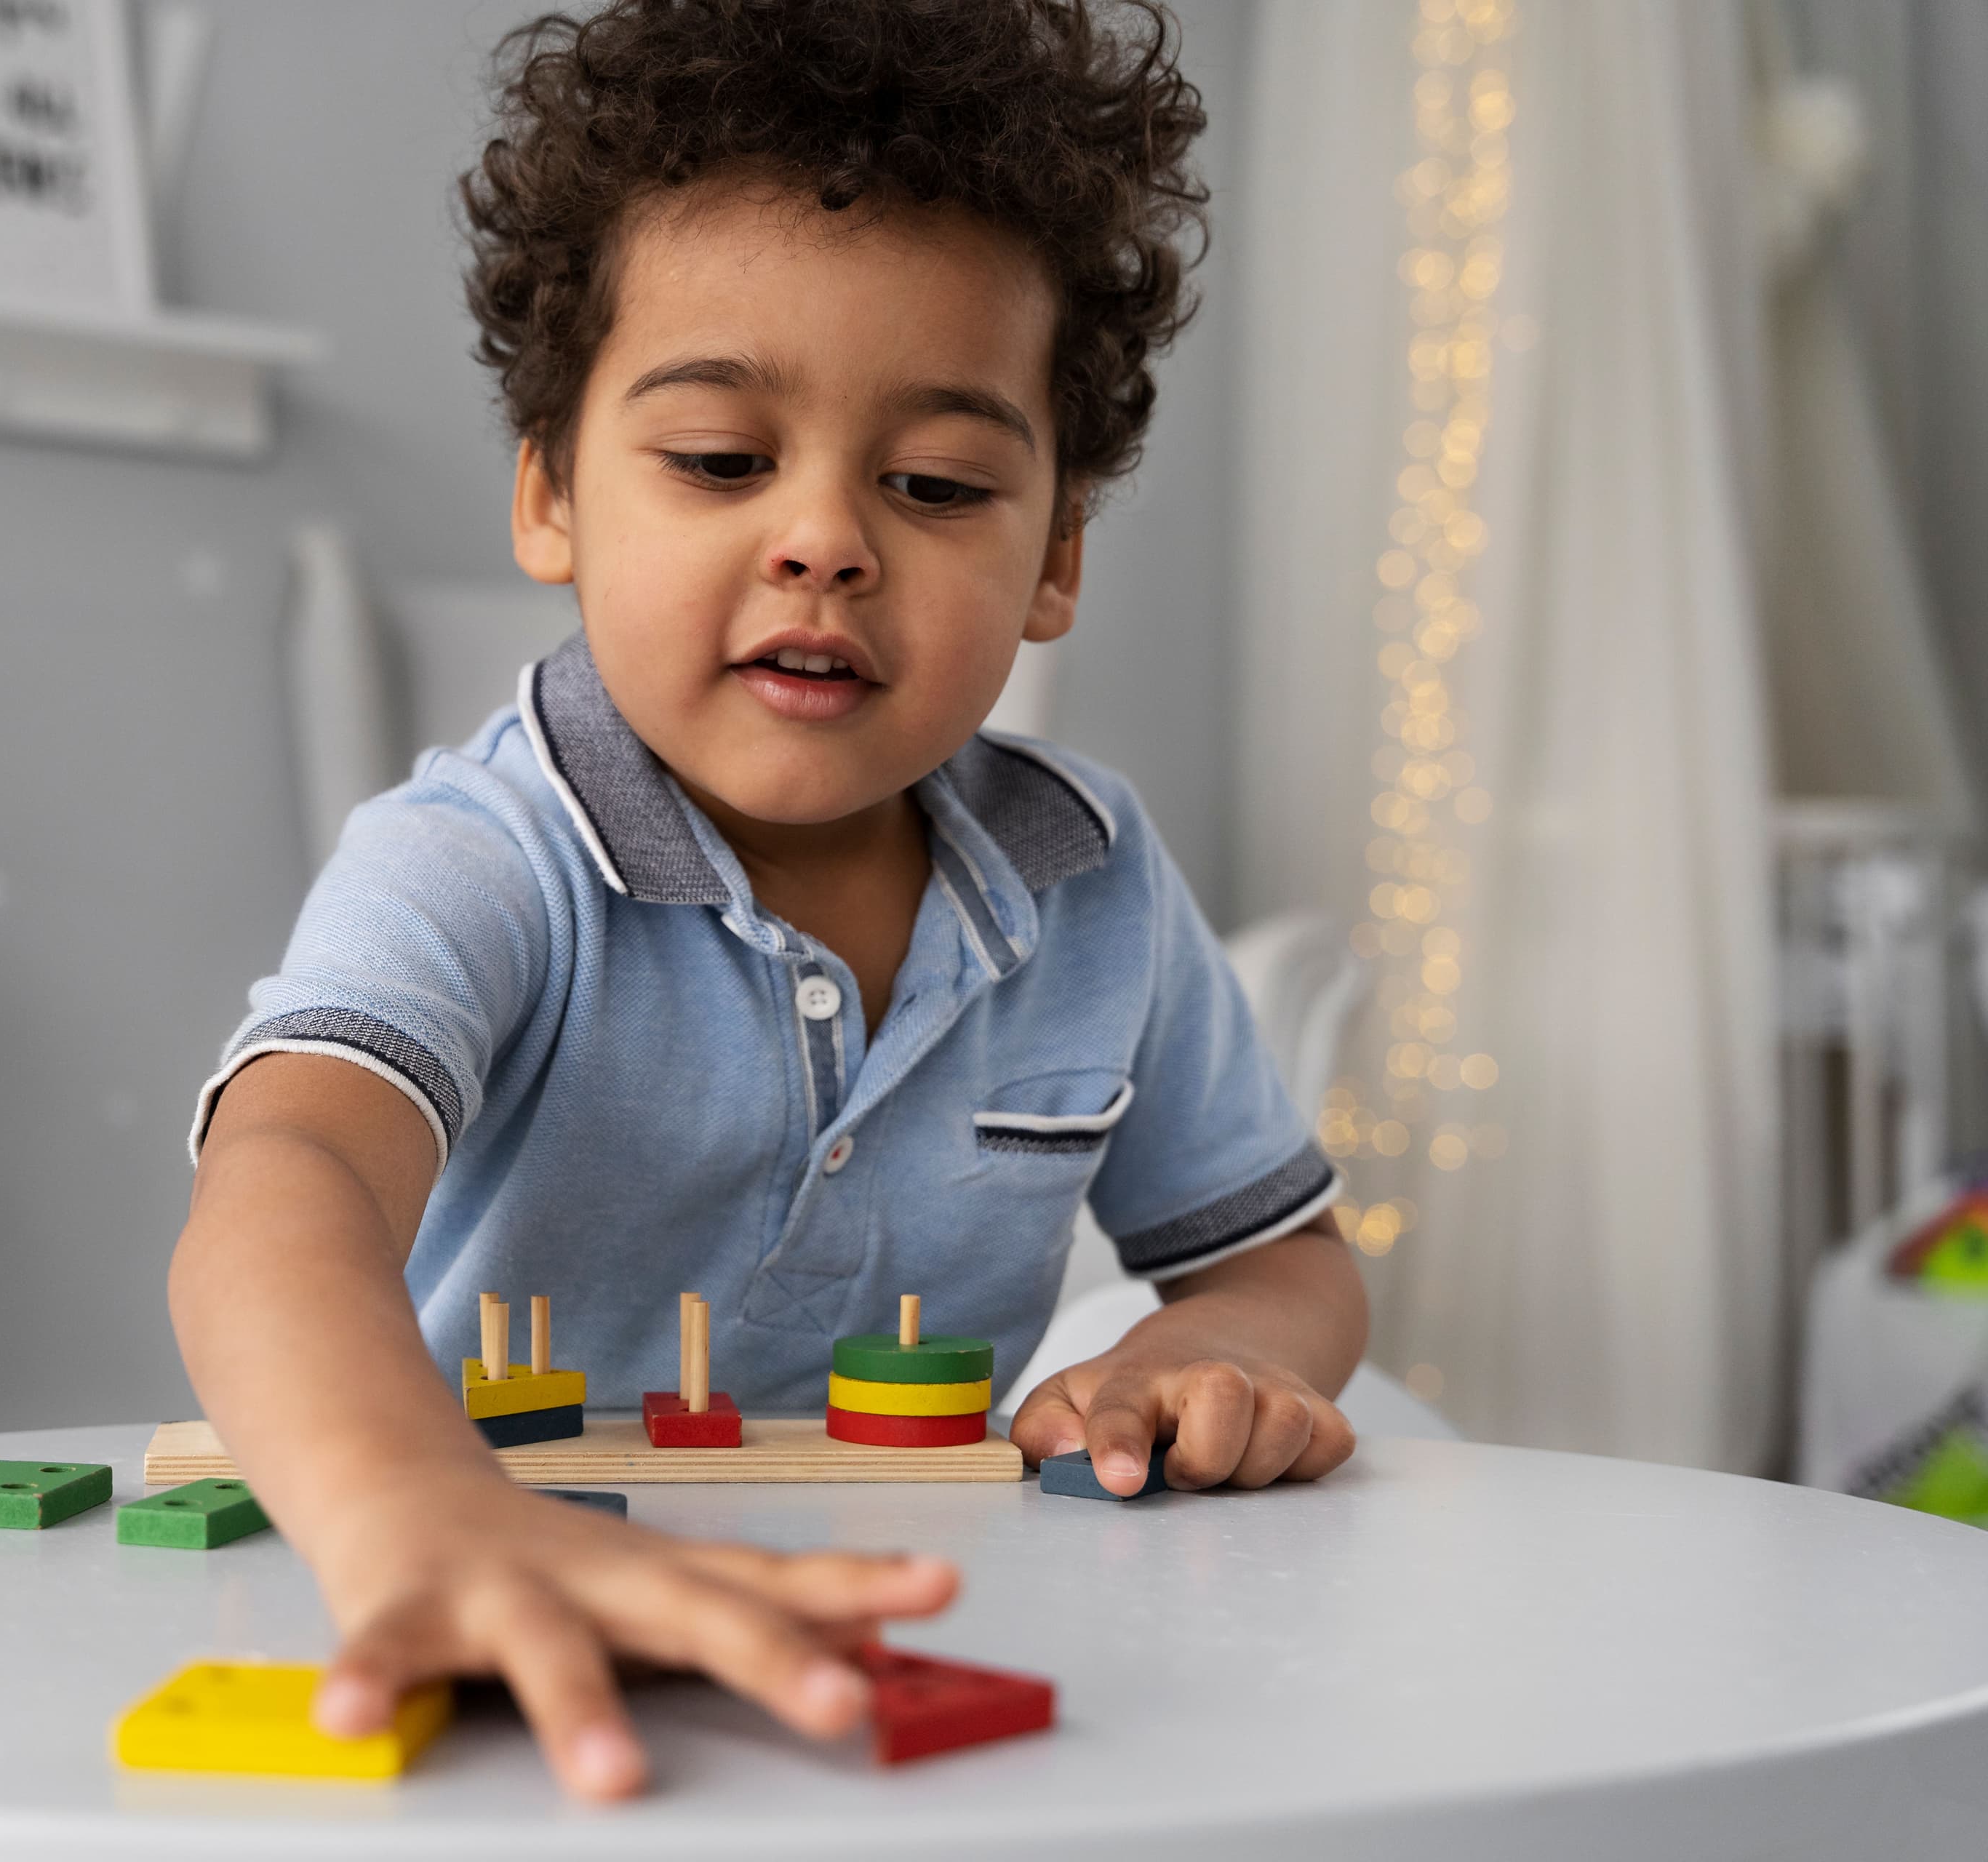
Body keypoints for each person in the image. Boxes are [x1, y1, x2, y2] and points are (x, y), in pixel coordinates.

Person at [169, 0, 1367, 1800]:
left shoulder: (1093, 874)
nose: (825, 538)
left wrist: (1206, 1356)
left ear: (1053, 558)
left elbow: (1283, 1262)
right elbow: (288, 1179)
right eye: (724, 460)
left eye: (938, 483)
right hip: (478, 1624)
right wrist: (410, 1508)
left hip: (935, 1633)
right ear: (554, 492)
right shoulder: (481, 857)